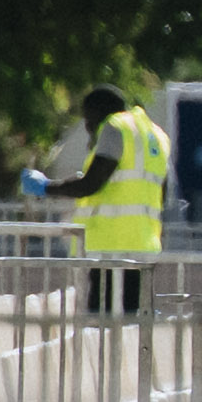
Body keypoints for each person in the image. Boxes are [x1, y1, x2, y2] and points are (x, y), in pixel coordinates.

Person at [26, 82, 170, 317]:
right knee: (136, 326)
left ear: (99, 112)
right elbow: (159, 189)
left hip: (111, 247)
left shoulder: (115, 127)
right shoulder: (156, 135)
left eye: (88, 120)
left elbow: (91, 184)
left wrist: (45, 188)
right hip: (144, 247)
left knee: (102, 326)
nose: (89, 127)